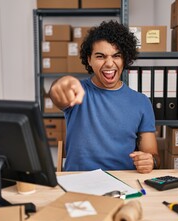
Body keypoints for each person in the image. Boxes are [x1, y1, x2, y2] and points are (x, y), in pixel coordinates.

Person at [48, 20, 160, 173]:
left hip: (123, 184)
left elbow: (153, 155)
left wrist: (150, 161)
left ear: (125, 58)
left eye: (116, 56)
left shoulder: (141, 102)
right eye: (100, 56)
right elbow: (57, 94)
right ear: (89, 59)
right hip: (78, 182)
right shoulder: (77, 91)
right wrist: (59, 85)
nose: (109, 63)